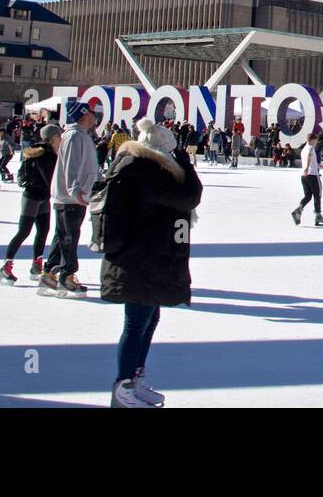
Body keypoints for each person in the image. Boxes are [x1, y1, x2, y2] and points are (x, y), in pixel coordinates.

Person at [100, 117, 203, 408]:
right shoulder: (146, 171)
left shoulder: (138, 166)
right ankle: (123, 385)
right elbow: (189, 197)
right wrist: (187, 164)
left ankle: (134, 378)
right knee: (136, 323)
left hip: (146, 256)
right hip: (140, 258)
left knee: (149, 318)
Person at [40, 98, 100, 297]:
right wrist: (76, 190)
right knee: (69, 236)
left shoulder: (80, 135)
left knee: (62, 236)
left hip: (73, 195)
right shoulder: (75, 135)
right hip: (71, 197)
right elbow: (71, 165)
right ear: (84, 115)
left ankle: (50, 272)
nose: (94, 118)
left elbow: (86, 164)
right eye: (91, 114)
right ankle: (66, 275)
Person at [0, 123, 61, 285]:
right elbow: (50, 179)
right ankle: (6, 266)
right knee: (24, 231)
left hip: (43, 197)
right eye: (59, 136)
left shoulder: (51, 153)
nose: (61, 138)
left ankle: (36, 265)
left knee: (43, 230)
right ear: (52, 137)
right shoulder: (44, 155)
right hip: (32, 197)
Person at [291, 132, 323, 227]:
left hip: (304, 176)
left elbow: (314, 163)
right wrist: (308, 167)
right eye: (316, 140)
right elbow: (309, 157)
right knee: (317, 195)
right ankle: (318, 215)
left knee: (308, 196)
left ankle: (298, 210)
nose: (316, 142)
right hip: (312, 175)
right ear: (313, 140)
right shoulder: (311, 148)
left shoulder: (304, 149)